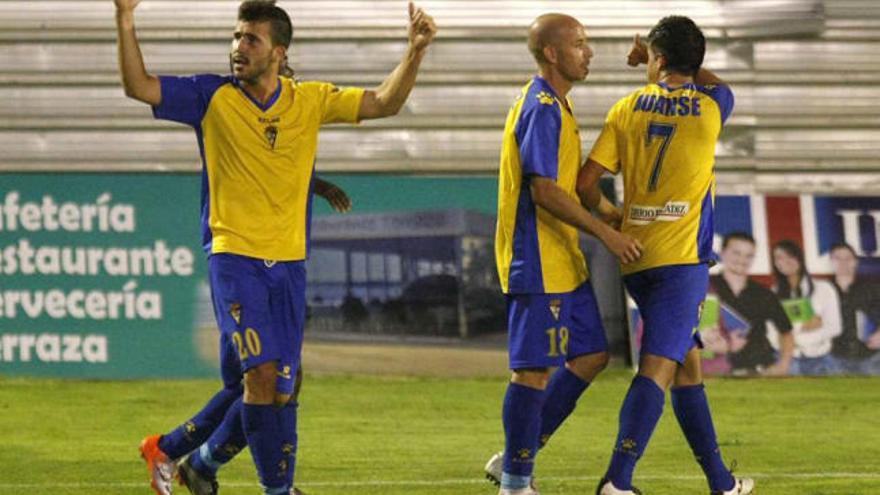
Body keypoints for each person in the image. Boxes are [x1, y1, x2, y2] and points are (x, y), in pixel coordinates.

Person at [114, 0, 436, 494]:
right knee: (261, 378)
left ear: (279, 52)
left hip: (288, 266)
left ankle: (191, 458)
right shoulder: (210, 95)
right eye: (237, 37)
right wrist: (125, 19)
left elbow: (382, 103)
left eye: (251, 39)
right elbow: (139, 86)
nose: (238, 47)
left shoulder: (309, 100)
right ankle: (275, 489)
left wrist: (414, 51)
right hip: (234, 259)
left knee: (279, 387)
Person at [577, 16, 753, 495]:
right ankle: (618, 480)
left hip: (636, 257)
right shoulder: (713, 106)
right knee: (657, 367)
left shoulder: (625, 108)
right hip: (682, 264)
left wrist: (614, 217)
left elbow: (585, 184)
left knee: (687, 366)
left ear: (656, 60)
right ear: (694, 61)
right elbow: (710, 82)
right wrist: (661, 61)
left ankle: (722, 483)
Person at [489, 13, 642, 495]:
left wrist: (611, 213)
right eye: (579, 44)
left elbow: (573, 184)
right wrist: (606, 234)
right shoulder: (542, 108)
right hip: (536, 260)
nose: (588, 51)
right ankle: (516, 482)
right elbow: (545, 192)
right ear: (551, 54)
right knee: (532, 370)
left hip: (562, 259)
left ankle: (517, 456)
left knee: (593, 355)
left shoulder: (559, 105)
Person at [137, 177, 350, 495]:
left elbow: (277, 166)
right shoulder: (228, 137)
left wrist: (314, 184)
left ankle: (188, 460)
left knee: (267, 381)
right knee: (263, 379)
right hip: (242, 260)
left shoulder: (279, 138)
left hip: (274, 257)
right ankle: (267, 484)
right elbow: (253, 169)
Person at [707, 232, 794, 376]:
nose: (742, 260)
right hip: (716, 370)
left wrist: (783, 366)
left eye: (749, 255)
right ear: (722, 253)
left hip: (759, 370)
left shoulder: (764, 294)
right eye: (737, 253)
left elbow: (786, 332)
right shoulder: (705, 287)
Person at [771, 240, 842, 375]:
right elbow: (772, 333)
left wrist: (794, 338)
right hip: (787, 361)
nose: (785, 261)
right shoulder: (773, 293)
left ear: (799, 257)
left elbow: (834, 327)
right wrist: (805, 326)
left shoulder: (824, 288)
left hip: (820, 360)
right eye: (779, 258)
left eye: (790, 255)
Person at [829, 242, 880, 374]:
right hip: (833, 360)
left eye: (848, 258)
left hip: (871, 357)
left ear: (855, 262)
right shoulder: (822, 290)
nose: (843, 262)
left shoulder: (873, 288)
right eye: (837, 258)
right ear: (830, 262)